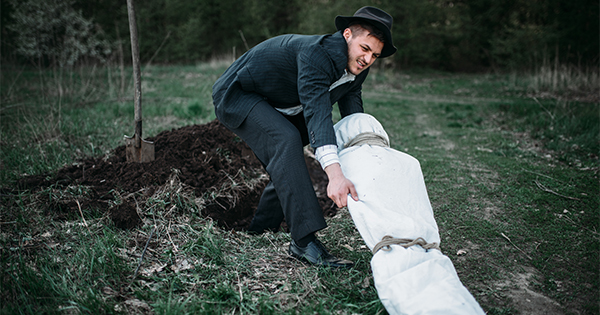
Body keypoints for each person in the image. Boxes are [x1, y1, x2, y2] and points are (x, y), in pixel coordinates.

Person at [212, 6, 397, 268]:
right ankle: (303, 242)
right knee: (286, 139)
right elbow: (318, 113)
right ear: (346, 35)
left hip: (281, 101)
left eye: (374, 55)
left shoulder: (357, 68)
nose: (367, 59)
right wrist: (334, 175)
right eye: (364, 48)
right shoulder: (317, 54)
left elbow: (352, 113)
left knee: (288, 154)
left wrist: (364, 155)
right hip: (239, 93)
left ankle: (261, 228)